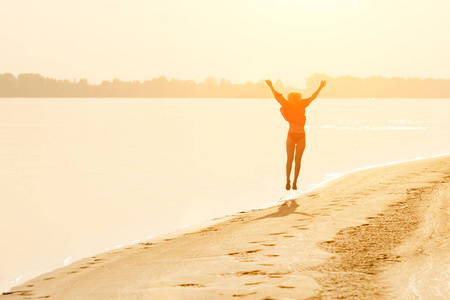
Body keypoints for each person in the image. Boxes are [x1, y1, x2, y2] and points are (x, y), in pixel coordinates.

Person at [265, 79, 326, 190]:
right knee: (295, 160)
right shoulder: (300, 104)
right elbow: (312, 97)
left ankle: (291, 181)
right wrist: (320, 87)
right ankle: (292, 181)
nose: (299, 98)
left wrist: (271, 86)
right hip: (300, 135)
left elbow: (277, 97)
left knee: (291, 159)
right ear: (294, 98)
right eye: (298, 97)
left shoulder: (290, 104)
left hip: (292, 135)